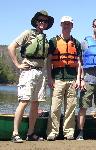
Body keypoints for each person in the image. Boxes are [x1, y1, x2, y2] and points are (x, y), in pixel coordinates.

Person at [8, 10, 54, 143]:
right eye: (40, 20)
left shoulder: (45, 38)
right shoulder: (28, 33)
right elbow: (11, 47)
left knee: (35, 104)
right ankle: (15, 133)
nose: (42, 23)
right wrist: (17, 64)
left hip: (40, 73)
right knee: (23, 102)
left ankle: (30, 133)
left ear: (47, 24)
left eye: (45, 21)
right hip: (28, 72)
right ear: (36, 21)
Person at [46, 16, 82, 141]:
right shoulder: (53, 41)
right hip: (57, 79)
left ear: (72, 26)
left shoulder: (76, 43)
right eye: (64, 24)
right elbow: (49, 61)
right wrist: (49, 78)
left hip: (72, 79)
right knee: (55, 107)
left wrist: (78, 79)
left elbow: (78, 63)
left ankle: (69, 132)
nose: (66, 26)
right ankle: (52, 132)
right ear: (61, 25)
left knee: (70, 108)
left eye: (68, 24)